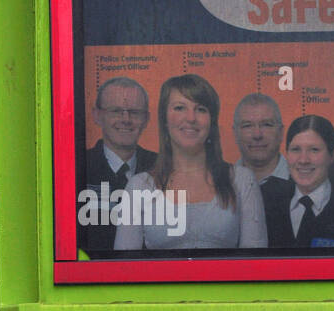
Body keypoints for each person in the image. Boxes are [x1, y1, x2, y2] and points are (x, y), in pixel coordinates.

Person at [114, 73, 266, 250]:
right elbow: (124, 267)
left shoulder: (242, 180)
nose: (191, 118)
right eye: (180, 108)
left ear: (212, 121)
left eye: (201, 109)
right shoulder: (139, 186)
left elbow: (256, 264)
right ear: (164, 119)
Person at [264, 115, 334, 248]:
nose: (303, 160)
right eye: (296, 149)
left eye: (314, 150)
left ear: (332, 155)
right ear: (287, 153)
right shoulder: (267, 202)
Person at [80, 77, 157, 251]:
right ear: (97, 116)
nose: (126, 119)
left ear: (146, 119)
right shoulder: (77, 168)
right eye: (115, 111)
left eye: (134, 112)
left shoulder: (163, 167)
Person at [233, 93, 293, 206]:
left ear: (281, 132)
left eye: (266, 125)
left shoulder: (304, 182)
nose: (257, 135)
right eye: (247, 126)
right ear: (235, 134)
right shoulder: (220, 183)